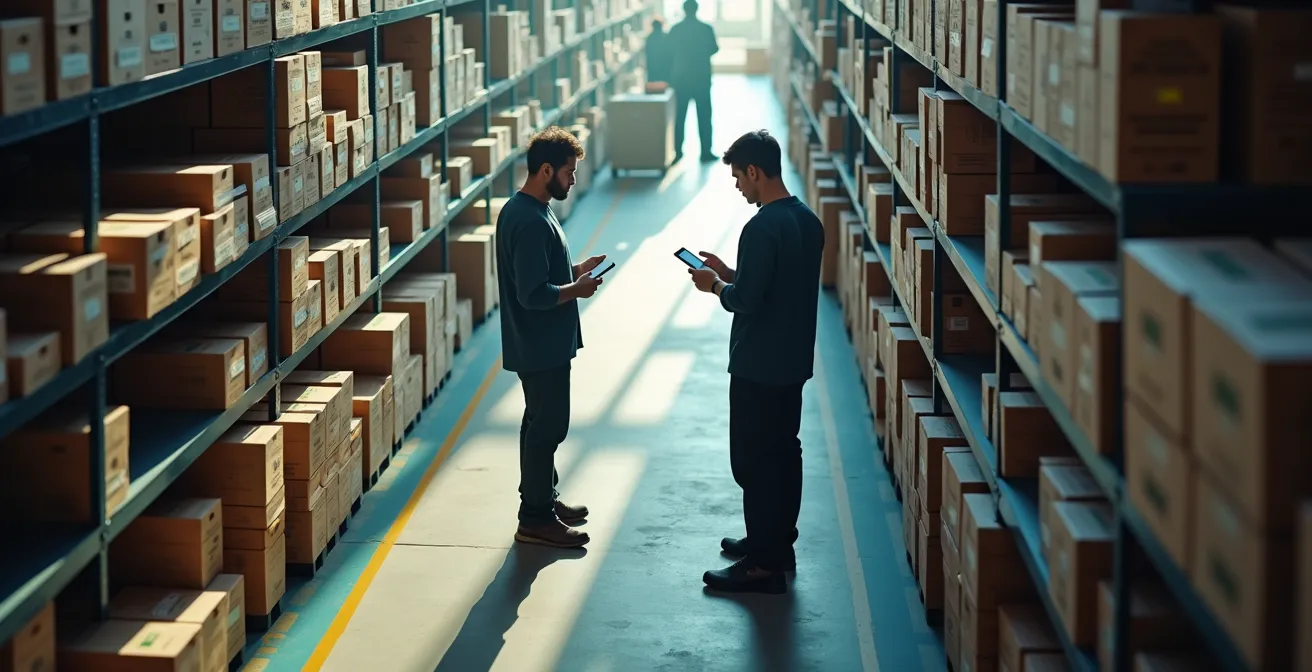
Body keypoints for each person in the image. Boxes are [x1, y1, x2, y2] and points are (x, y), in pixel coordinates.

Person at [688, 130, 824, 593]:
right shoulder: (806, 220)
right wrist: (729, 271)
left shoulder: (761, 226)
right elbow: (776, 285)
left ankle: (762, 566)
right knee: (786, 453)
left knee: (752, 463)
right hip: (792, 363)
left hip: (757, 365)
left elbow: (745, 301)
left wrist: (715, 286)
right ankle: (776, 544)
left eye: (738, 178)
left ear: (755, 172)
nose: (738, 187)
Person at [496, 126, 608, 549]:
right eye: (568, 172)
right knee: (549, 427)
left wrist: (574, 271)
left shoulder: (532, 208)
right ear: (546, 170)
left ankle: (541, 498)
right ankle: (536, 519)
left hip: (542, 343)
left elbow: (541, 273)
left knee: (538, 423)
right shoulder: (527, 220)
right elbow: (532, 294)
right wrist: (574, 291)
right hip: (539, 344)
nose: (573, 179)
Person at [667, 0, 719, 162]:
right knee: (704, 115)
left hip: (681, 78)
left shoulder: (676, 29)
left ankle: (678, 151)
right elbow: (714, 48)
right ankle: (705, 152)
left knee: (680, 116)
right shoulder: (706, 29)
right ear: (697, 10)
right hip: (701, 78)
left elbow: (667, 51)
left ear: (684, 10)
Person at [645, 17, 673, 85]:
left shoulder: (650, 38)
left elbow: (647, 53)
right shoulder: (666, 37)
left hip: (653, 67)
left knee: (654, 88)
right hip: (664, 67)